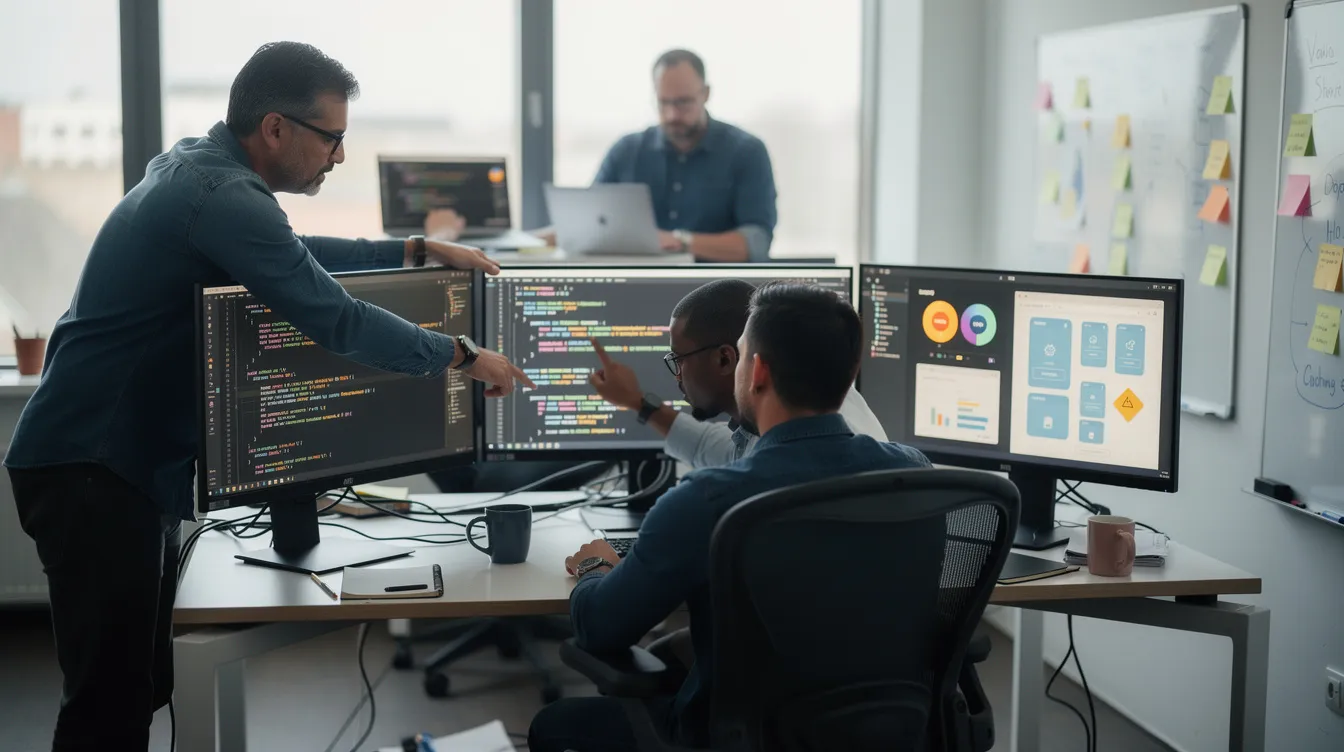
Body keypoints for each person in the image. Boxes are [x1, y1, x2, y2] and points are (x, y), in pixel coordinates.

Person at [3, 42, 532, 752]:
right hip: (91, 469)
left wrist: (414, 251)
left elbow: (291, 251)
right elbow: (335, 316)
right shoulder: (221, 194)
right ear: (277, 128)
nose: (339, 157)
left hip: (109, 466)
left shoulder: (202, 169)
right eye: (332, 139)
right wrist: (463, 356)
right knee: (107, 707)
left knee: (137, 689)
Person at [528, 283, 930, 750]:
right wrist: (642, 404)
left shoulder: (706, 502)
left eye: (740, 355)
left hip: (746, 736)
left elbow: (599, 628)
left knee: (553, 725)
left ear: (753, 369)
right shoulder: (915, 473)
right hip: (890, 729)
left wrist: (597, 566)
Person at [589, 278, 886, 470]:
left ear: (728, 359)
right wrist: (639, 403)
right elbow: (719, 449)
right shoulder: (898, 460)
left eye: (679, 359)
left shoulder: (735, 489)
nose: (677, 376)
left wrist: (596, 564)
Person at [538, 49, 777, 262]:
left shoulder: (747, 152)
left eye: (683, 102)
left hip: (718, 296)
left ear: (705, 93)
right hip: (638, 289)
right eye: (664, 103)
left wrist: (680, 241)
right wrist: (519, 242)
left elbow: (756, 243)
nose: (673, 114)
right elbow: (590, 226)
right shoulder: (626, 152)